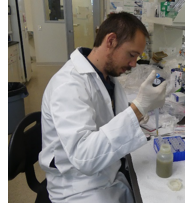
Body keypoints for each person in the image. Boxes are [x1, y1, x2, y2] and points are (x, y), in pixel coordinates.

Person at [39, 12, 167, 202]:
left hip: (108, 171)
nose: (134, 64)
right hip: (78, 186)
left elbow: (109, 115)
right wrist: (139, 108)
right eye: (131, 55)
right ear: (111, 41)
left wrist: (141, 111)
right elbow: (84, 156)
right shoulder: (68, 85)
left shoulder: (106, 76)